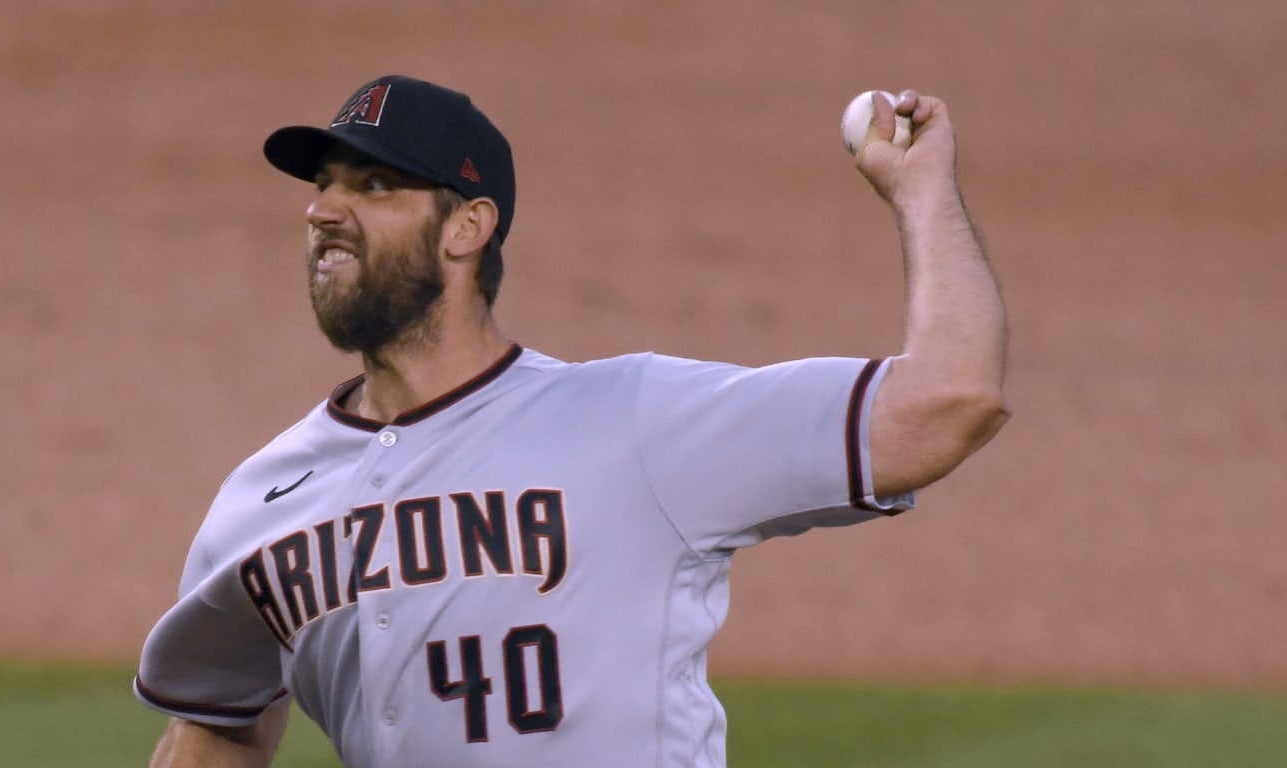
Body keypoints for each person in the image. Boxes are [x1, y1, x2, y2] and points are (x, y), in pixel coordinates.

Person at [135, 74, 1008, 768]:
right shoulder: (258, 504)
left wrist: (922, 194)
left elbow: (946, 403)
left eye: (373, 184)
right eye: (323, 187)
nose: (324, 209)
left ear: (466, 228)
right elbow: (220, 725)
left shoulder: (636, 422)